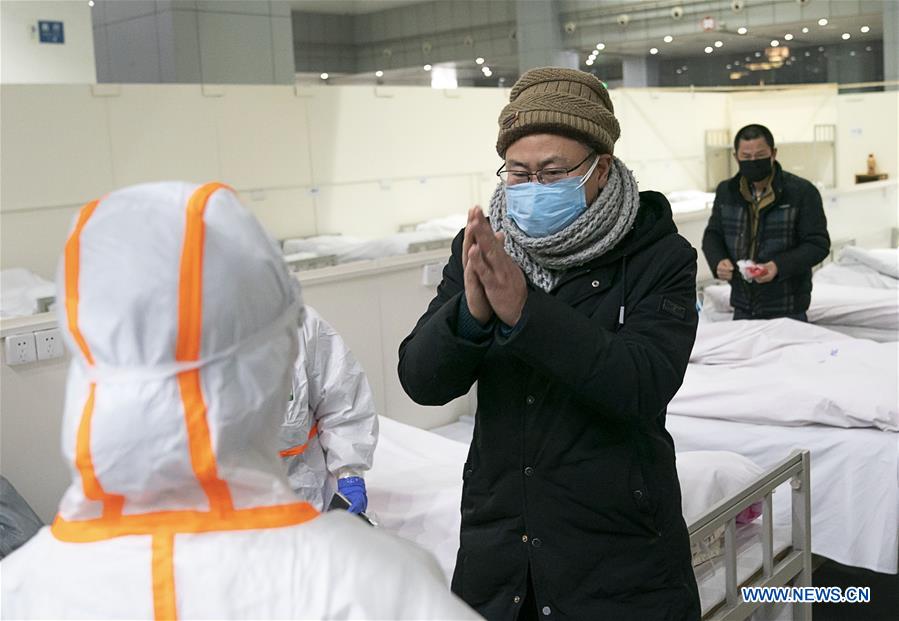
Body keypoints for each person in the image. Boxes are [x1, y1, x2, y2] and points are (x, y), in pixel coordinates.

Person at [0, 181, 479, 621]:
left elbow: (343, 401)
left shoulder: (23, 590)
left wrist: (349, 474)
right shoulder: (371, 587)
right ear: (270, 364)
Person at [398, 68, 701, 620]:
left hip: (618, 558)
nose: (532, 188)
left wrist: (525, 312)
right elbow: (420, 381)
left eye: (552, 172)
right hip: (502, 553)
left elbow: (642, 383)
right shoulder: (483, 246)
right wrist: (470, 314)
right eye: (518, 173)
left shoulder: (659, 256)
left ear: (600, 168)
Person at [702, 123, 830, 320]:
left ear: (773, 153)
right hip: (743, 305)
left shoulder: (801, 192)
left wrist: (778, 266)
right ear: (736, 157)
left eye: (760, 155)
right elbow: (713, 235)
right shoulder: (726, 192)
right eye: (746, 157)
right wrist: (718, 260)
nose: (753, 161)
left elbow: (817, 244)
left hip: (788, 307)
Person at [280, 305, 378, 514]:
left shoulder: (301, 326)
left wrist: (349, 476)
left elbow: (343, 407)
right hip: (216, 528)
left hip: (305, 511)